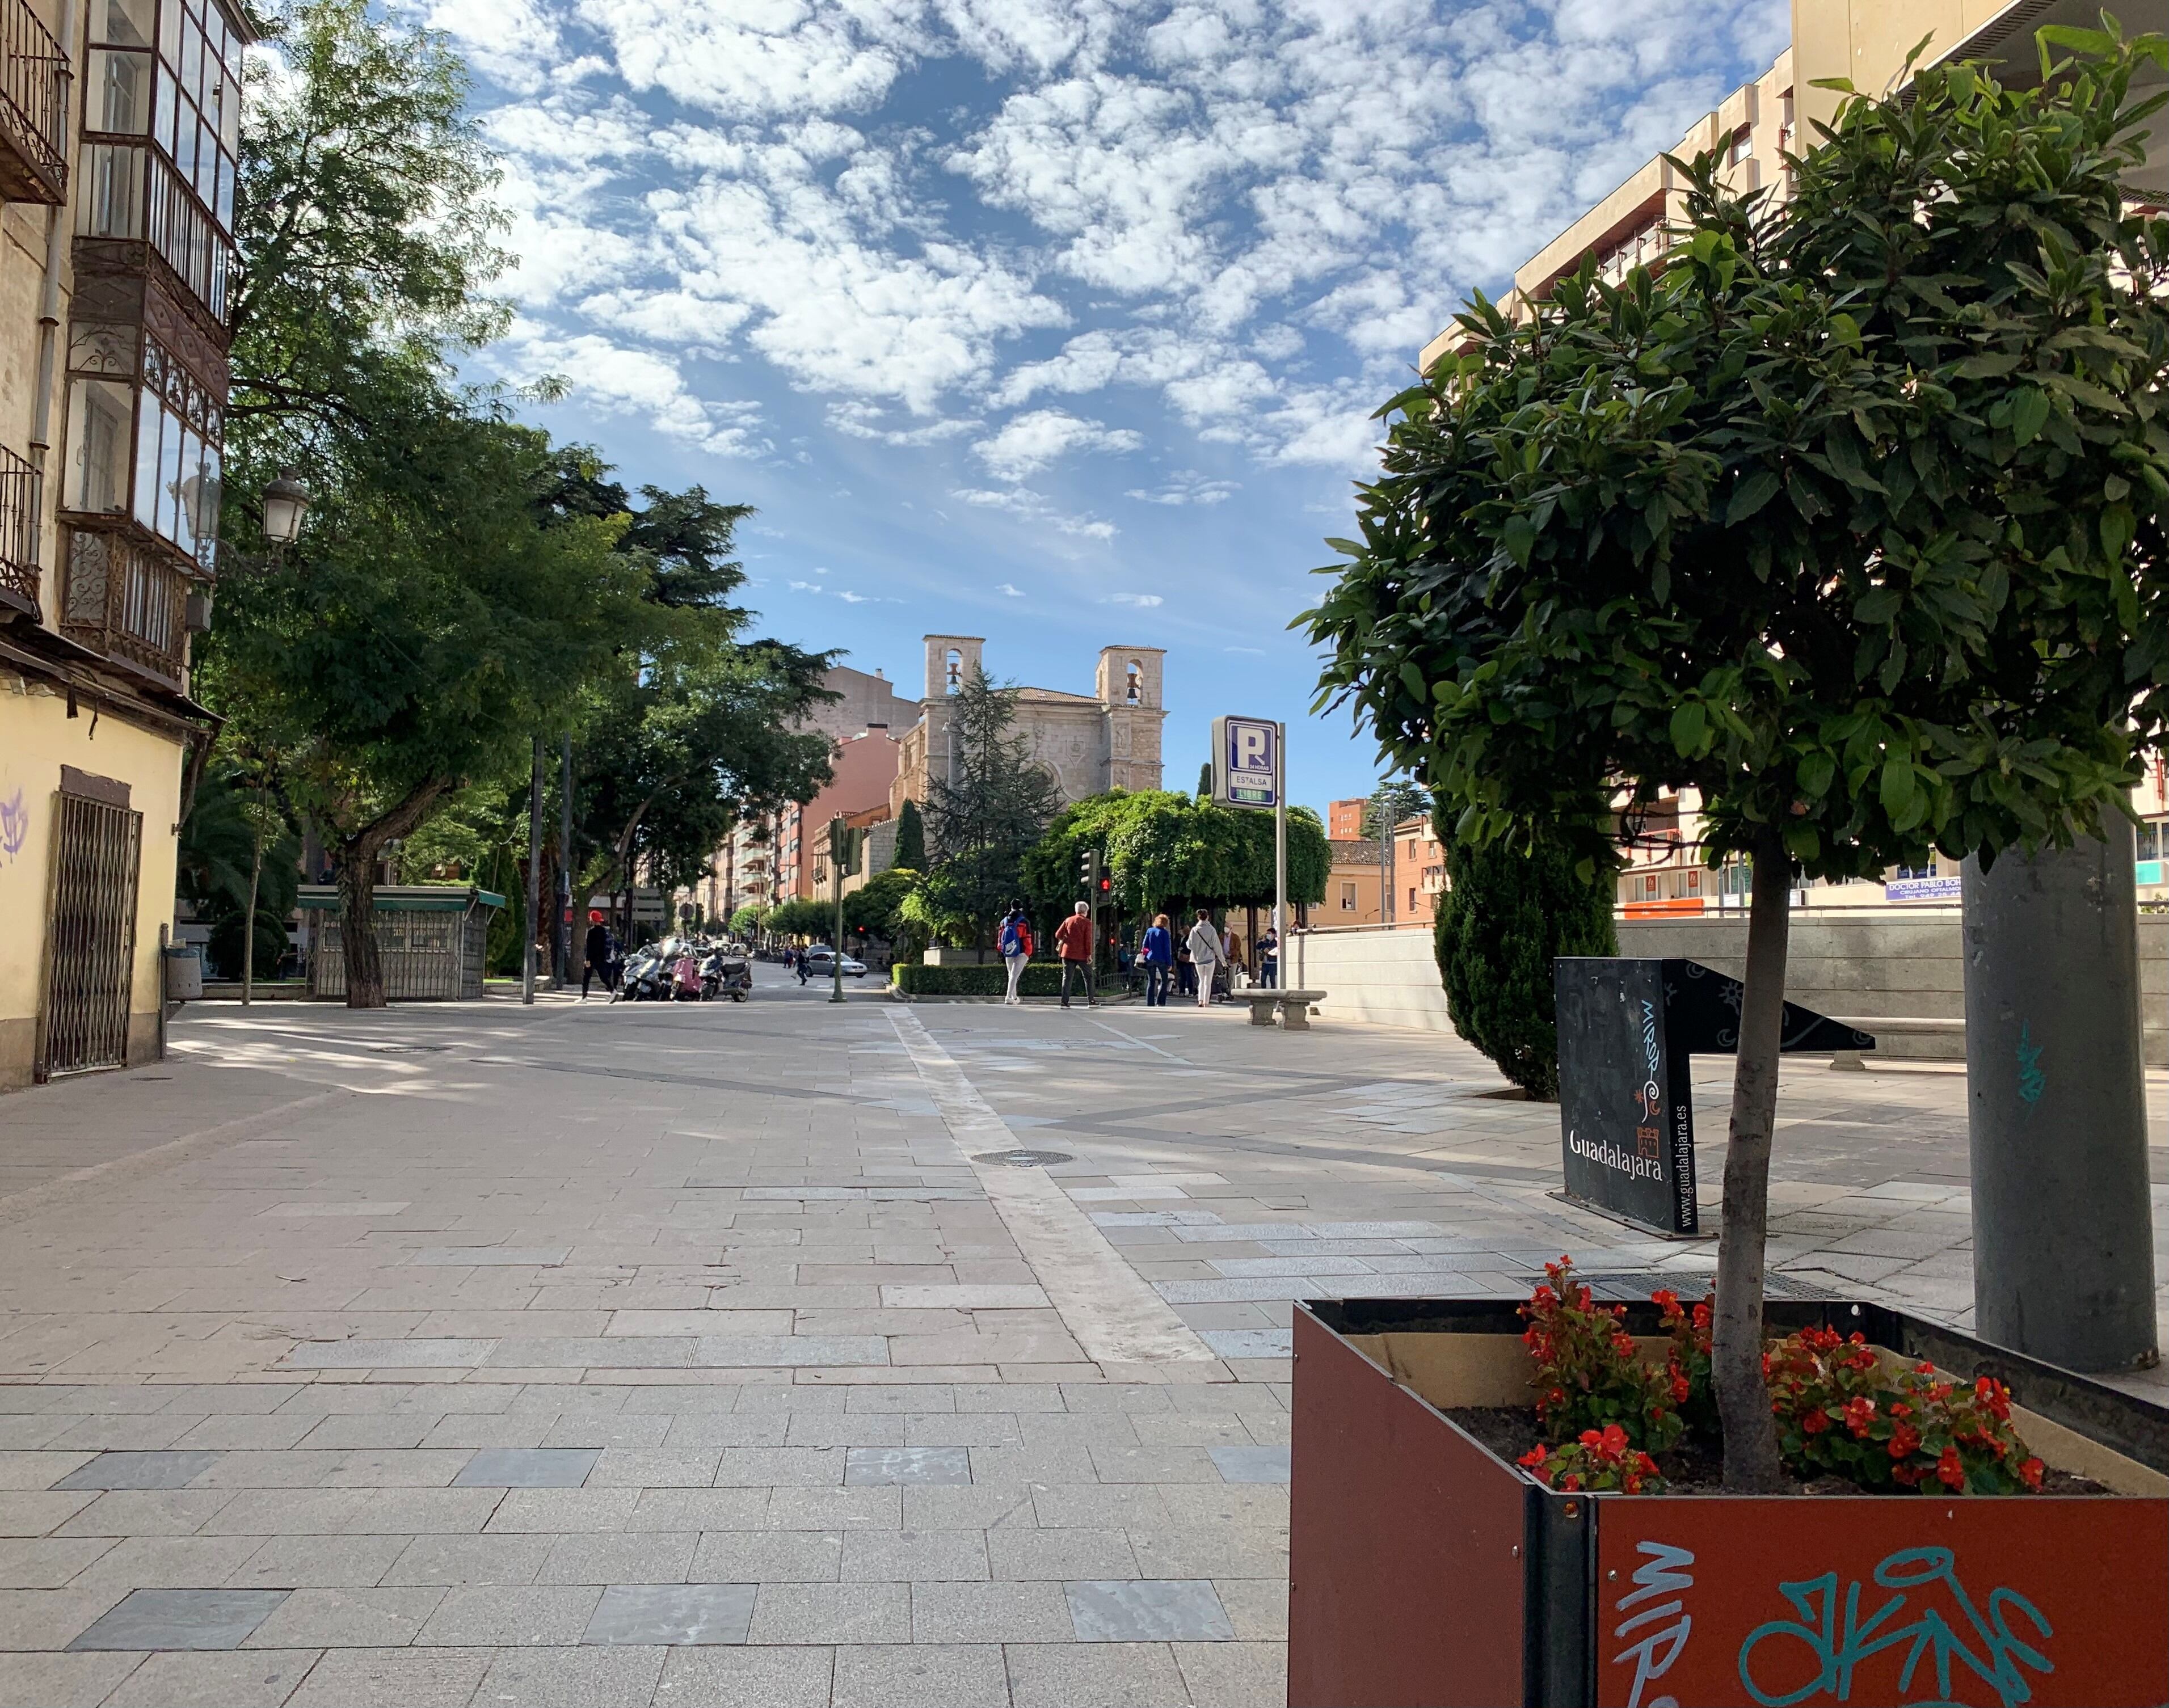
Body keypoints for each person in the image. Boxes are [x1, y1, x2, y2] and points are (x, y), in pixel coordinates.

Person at [1054, 901, 1096, 1008]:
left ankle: (1064, 1002)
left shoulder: (1068, 920)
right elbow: (1088, 940)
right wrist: (1089, 955)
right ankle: (1091, 1001)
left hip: (1067, 953)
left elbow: (1058, 934)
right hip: (1082, 954)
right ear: (1086, 911)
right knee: (1089, 976)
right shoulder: (1087, 922)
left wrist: (1067, 939)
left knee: (1067, 978)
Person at [999, 906, 1035, 1005]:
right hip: (1021, 951)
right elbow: (1027, 938)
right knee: (1015, 975)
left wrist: (1002, 949)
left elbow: (1000, 937)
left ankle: (1014, 997)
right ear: (1021, 908)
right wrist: (1029, 952)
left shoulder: (1004, 921)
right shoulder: (1024, 922)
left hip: (1008, 951)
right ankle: (1008, 997)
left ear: (1011, 907)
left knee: (1011, 974)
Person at [1185, 910, 1221, 1008]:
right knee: (1208, 982)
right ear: (1208, 917)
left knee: (1201, 980)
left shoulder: (1194, 930)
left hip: (1198, 959)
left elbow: (1189, 945)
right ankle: (1206, 1002)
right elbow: (1216, 946)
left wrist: (1198, 948)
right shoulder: (1212, 930)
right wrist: (1222, 960)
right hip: (1210, 959)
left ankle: (1200, 1000)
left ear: (1198, 918)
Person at [1140, 913, 1174, 1007]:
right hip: (1162, 959)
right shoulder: (1164, 933)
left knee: (1151, 981)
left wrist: (1146, 955)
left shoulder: (1150, 931)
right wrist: (1169, 963)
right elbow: (1167, 949)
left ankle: (1150, 1002)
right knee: (1164, 980)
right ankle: (1160, 1002)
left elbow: (1145, 945)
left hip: (1150, 959)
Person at [581, 910, 616, 999]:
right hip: (601, 958)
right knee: (603, 977)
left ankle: (584, 997)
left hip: (592, 958)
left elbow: (590, 947)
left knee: (586, 978)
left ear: (592, 920)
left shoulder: (591, 932)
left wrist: (587, 959)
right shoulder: (604, 931)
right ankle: (613, 991)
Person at [1258, 925, 1279, 990]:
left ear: (1274, 934)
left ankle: (1273, 992)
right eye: (1267, 934)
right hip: (1265, 963)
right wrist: (1262, 941)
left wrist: (1269, 950)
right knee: (1263, 979)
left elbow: (1276, 950)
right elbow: (1258, 947)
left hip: (1273, 963)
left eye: (1269, 934)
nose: (1268, 935)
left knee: (1272, 979)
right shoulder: (1265, 942)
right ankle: (1263, 992)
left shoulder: (1276, 942)